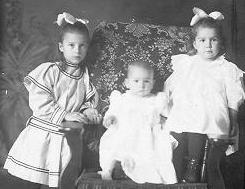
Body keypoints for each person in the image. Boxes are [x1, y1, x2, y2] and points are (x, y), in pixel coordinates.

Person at [3, 12, 102, 189]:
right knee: (32, 179)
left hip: (65, 136)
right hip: (43, 133)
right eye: (71, 45)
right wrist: (65, 114)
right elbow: (40, 100)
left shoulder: (84, 76)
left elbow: (87, 98)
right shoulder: (50, 71)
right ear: (61, 47)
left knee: (57, 181)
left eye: (82, 46)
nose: (77, 50)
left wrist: (88, 110)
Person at [164, 7, 245, 185]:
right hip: (188, 112)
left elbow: (234, 94)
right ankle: (178, 172)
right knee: (177, 135)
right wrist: (166, 109)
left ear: (220, 43)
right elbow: (171, 86)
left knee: (212, 163)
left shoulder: (226, 68)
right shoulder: (186, 63)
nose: (208, 45)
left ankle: (195, 168)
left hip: (213, 114)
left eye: (213, 40)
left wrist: (232, 119)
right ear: (195, 44)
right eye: (202, 40)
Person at [98, 60, 178, 184]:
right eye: (136, 81)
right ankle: (112, 169)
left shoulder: (156, 99)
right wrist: (110, 118)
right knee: (115, 146)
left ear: (153, 83)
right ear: (127, 83)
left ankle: (133, 171)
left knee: (153, 155)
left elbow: (169, 114)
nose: (141, 85)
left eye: (146, 81)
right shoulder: (122, 99)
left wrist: (165, 118)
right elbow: (112, 111)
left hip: (148, 137)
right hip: (125, 132)